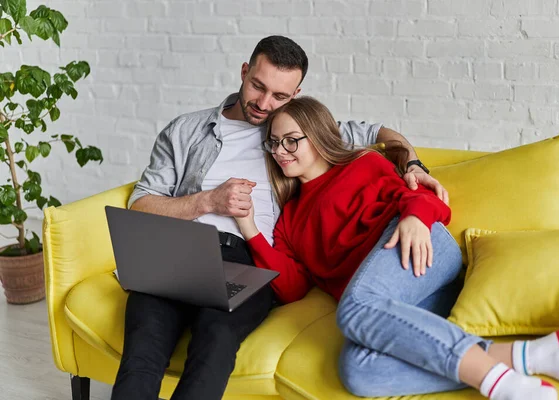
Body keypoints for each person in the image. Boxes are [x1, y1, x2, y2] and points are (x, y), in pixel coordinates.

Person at [111, 35, 449, 400]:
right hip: (178, 249)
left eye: (280, 96)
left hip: (244, 258)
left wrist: (412, 163)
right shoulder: (184, 131)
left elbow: (378, 134)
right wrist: (207, 201)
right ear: (244, 72)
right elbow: (141, 204)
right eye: (257, 86)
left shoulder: (292, 131)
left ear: (296, 93)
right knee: (143, 347)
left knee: (216, 340)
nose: (264, 103)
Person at [233, 96, 559, 400]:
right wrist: (248, 226)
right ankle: (538, 354)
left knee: (354, 308)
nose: (281, 151)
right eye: (274, 142)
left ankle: (504, 386)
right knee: (359, 371)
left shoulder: (362, 163)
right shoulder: (290, 219)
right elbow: (293, 287)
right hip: (389, 302)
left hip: (420, 249)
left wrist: (414, 218)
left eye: (291, 139)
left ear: (316, 135)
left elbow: (429, 198)